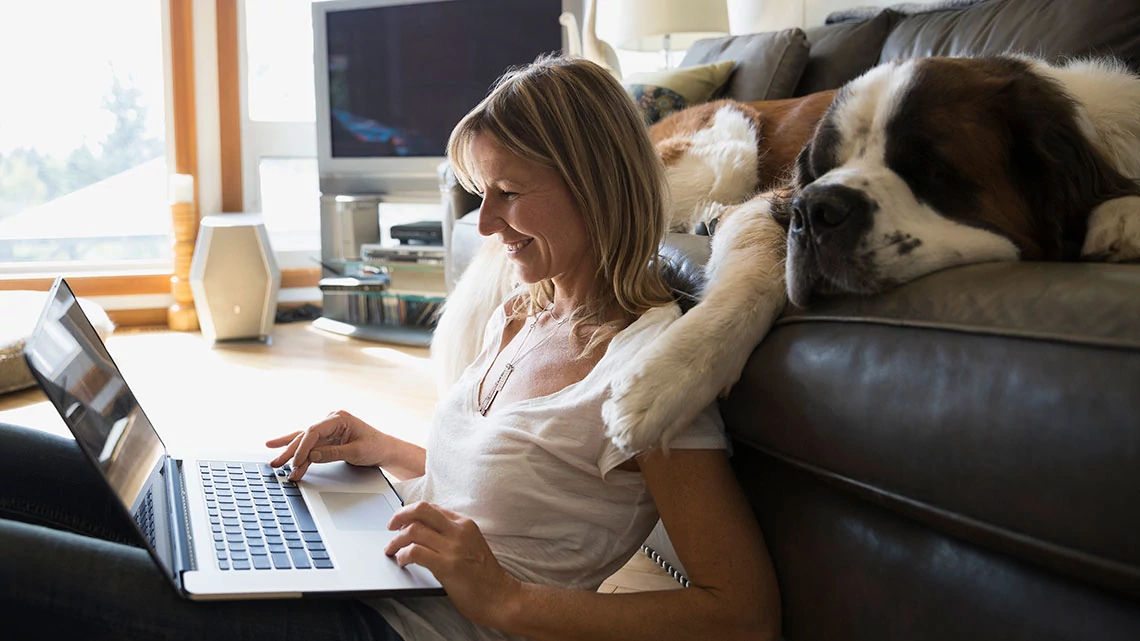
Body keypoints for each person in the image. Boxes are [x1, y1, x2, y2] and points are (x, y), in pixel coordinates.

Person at [0, 55, 780, 641]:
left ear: (594, 185)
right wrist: (390, 449)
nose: (484, 225)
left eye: (508, 194)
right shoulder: (529, 308)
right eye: (481, 195)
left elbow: (743, 614)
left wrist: (506, 598)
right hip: (366, 574)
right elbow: (523, 481)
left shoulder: (654, 376)